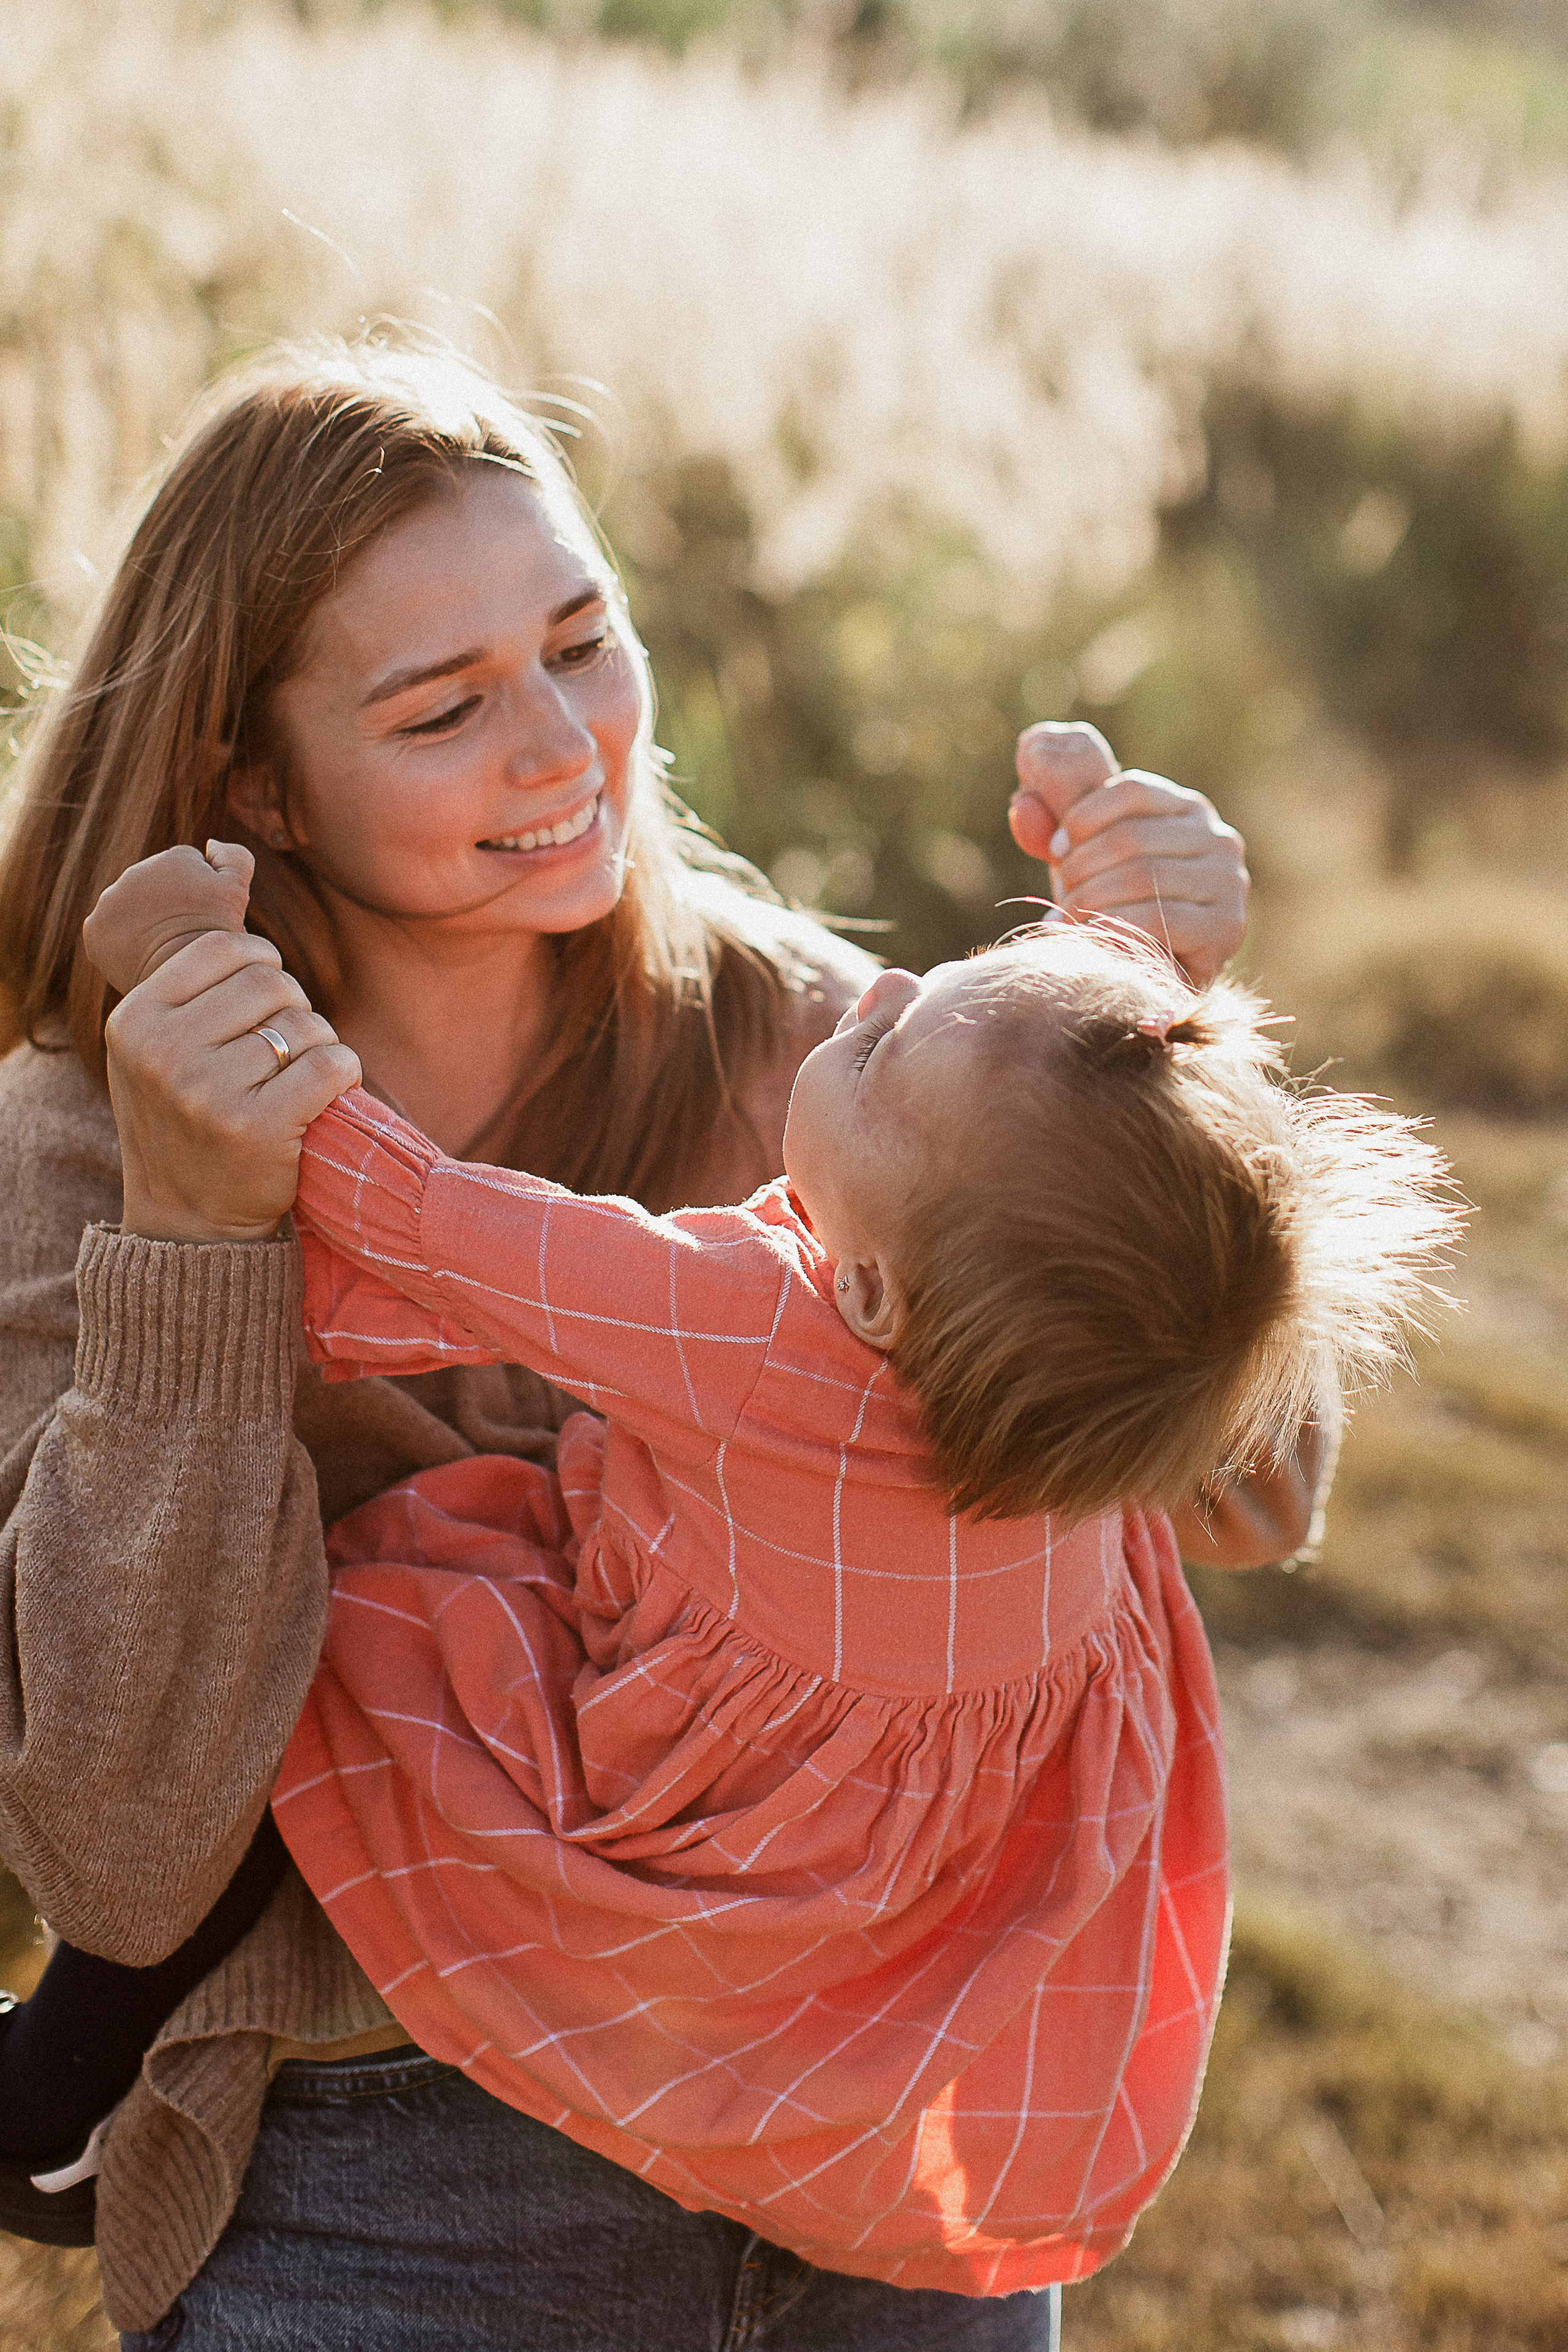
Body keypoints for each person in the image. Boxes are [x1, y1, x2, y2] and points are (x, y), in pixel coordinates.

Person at [0, 333, 1299, 2348]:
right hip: (404, 2156)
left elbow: (1243, 1491)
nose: (564, 745)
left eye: (584, 640)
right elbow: (124, 1853)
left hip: (898, 2141)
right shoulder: (80, 1149)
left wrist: (1171, 1046)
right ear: (253, 785)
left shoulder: (816, 1044)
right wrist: (191, 1246)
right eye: (442, 708)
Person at [73, 840, 1449, 2307]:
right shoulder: (1081, 1398)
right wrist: (1118, 953)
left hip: (684, 1804)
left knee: (363, 1629)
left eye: (871, 1052)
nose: (883, 985)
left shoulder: (750, 1333)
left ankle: (83, 2058)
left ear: (864, 1286)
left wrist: (192, 983)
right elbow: (1076, 1153)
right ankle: (814, 2179)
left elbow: (433, 1225)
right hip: (902, 1901)